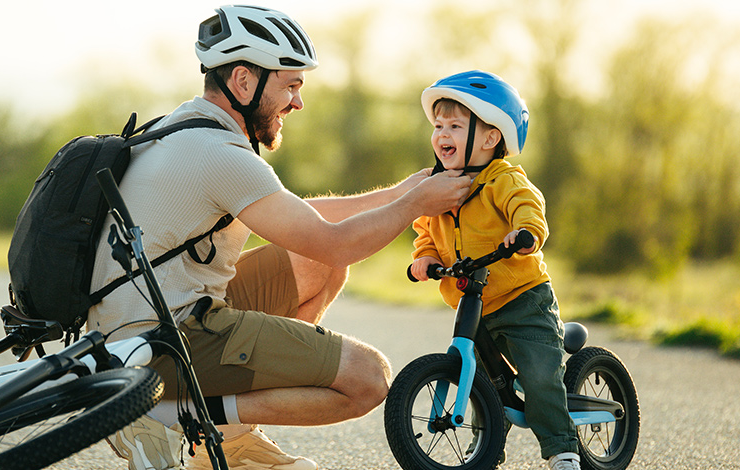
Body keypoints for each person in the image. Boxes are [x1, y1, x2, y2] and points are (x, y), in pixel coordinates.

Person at [88, 5, 471, 470]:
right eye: (290, 85)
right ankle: (171, 414)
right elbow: (335, 240)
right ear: (245, 82)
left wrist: (397, 193)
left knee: (318, 264)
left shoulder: (184, 126)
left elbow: (305, 225)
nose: (297, 103)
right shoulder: (221, 154)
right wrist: (415, 205)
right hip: (165, 341)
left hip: (134, 325)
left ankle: (228, 443)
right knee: (369, 379)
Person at [408, 70, 581, 470]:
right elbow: (425, 229)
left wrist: (525, 232)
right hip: (475, 303)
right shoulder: (440, 185)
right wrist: (426, 258)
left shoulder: (502, 179)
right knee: (481, 383)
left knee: (538, 376)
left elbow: (527, 205)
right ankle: (485, 452)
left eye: (454, 125)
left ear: (490, 138)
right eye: (438, 125)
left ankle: (561, 448)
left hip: (523, 299)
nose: (441, 134)